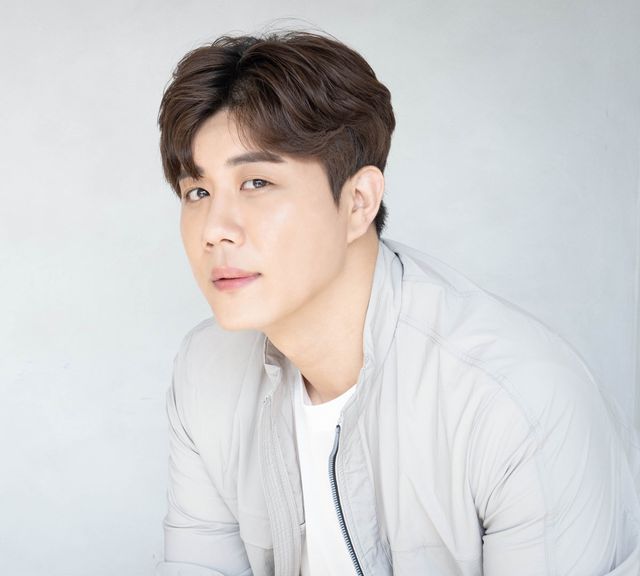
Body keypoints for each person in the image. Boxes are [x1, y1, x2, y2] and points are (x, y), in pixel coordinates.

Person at [154, 30, 640, 576]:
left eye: (257, 182)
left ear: (358, 202)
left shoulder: (511, 401)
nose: (214, 229)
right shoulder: (206, 371)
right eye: (198, 192)